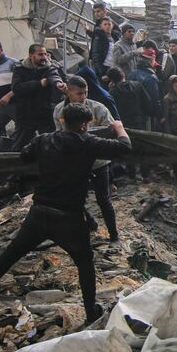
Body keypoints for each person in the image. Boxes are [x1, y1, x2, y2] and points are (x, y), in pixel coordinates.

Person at [0, 104, 131, 324]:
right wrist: (119, 128)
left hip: (39, 212)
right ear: (85, 125)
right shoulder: (89, 143)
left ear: (64, 120)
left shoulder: (43, 140)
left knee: (12, 253)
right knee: (85, 263)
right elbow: (125, 147)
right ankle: (91, 312)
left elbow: (25, 156)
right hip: (69, 218)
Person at [53, 75, 120, 241]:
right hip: (74, 162)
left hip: (98, 162)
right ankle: (90, 222)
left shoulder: (98, 109)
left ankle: (114, 235)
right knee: (73, 197)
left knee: (103, 200)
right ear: (68, 92)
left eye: (85, 93)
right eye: (79, 94)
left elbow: (111, 133)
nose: (83, 97)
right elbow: (59, 135)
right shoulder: (59, 111)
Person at [11, 44, 67, 150]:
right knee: (20, 143)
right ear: (31, 55)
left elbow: (54, 76)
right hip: (26, 112)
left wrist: (58, 83)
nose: (44, 57)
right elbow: (16, 88)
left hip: (45, 111)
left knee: (50, 143)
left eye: (45, 54)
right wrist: (38, 84)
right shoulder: (20, 68)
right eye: (40, 54)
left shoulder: (49, 66)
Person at [106, 67, 151, 179]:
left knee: (128, 149)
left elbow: (111, 110)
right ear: (123, 75)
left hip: (124, 124)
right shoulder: (137, 85)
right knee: (143, 149)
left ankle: (131, 175)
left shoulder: (113, 92)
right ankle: (145, 175)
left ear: (111, 80)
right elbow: (148, 102)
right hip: (140, 121)